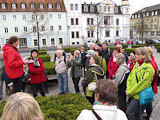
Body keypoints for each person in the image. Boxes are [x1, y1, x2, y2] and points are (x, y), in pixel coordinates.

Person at [125, 47, 155, 120]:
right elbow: (130, 78)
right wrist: (128, 89)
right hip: (133, 94)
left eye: (138, 54)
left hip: (140, 95)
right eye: (135, 54)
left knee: (129, 113)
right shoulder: (136, 65)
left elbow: (142, 84)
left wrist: (130, 92)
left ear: (144, 55)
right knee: (137, 115)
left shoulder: (149, 67)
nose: (136, 56)